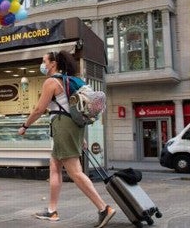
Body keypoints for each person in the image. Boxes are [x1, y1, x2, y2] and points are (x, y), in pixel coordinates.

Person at [18, 50, 116, 228]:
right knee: (54, 166)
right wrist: (80, 137)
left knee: (75, 172)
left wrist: (25, 126)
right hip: (73, 126)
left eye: (44, 61)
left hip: (63, 126)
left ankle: (104, 208)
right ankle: (52, 210)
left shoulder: (51, 82)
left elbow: (40, 109)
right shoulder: (74, 80)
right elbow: (77, 109)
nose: (43, 65)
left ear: (53, 64)